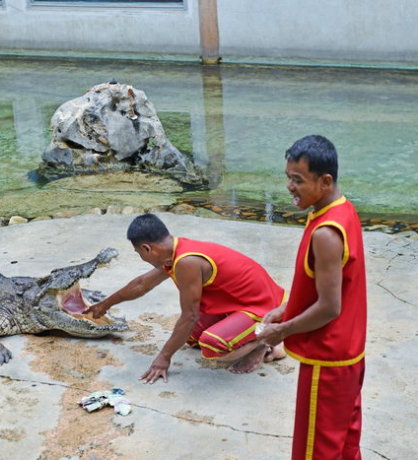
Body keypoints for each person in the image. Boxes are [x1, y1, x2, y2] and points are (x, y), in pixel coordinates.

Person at [257, 135, 366, 460]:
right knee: (344, 445)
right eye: (288, 177)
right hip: (349, 354)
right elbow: (330, 288)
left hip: (327, 360)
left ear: (325, 180)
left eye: (298, 180)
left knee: (316, 451)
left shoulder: (326, 233)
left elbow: (330, 307)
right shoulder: (342, 210)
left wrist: (283, 331)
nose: (290, 187)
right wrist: (286, 309)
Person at [85, 213, 287, 383]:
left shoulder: (186, 262)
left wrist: (163, 358)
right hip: (237, 304)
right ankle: (253, 335)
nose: (142, 258)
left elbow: (189, 316)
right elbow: (142, 284)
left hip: (264, 308)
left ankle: (265, 342)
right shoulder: (174, 251)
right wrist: (105, 304)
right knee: (192, 338)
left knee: (211, 347)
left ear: (147, 248)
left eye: (139, 253)